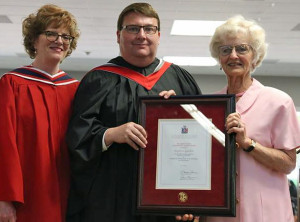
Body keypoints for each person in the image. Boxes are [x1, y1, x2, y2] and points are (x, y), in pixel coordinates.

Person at [66, 2, 201, 222]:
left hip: (167, 202)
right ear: (118, 35)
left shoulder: (180, 79)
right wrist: (110, 134)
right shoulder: (98, 80)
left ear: (158, 35)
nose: (141, 35)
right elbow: (76, 137)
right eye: (133, 28)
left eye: (149, 29)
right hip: (113, 201)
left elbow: (203, 142)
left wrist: (181, 112)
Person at [180, 15, 300, 222]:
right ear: (219, 58)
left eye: (242, 49)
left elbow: (288, 163)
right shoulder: (208, 105)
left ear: (255, 56)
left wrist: (248, 144)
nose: (233, 55)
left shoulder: (279, 101)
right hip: (219, 214)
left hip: (265, 213)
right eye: (225, 50)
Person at [0, 4, 80, 222]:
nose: (59, 40)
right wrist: (5, 198)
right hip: (27, 194)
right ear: (34, 40)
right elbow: (4, 143)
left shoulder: (76, 89)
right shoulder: (13, 84)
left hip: (70, 194)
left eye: (66, 36)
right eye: (51, 33)